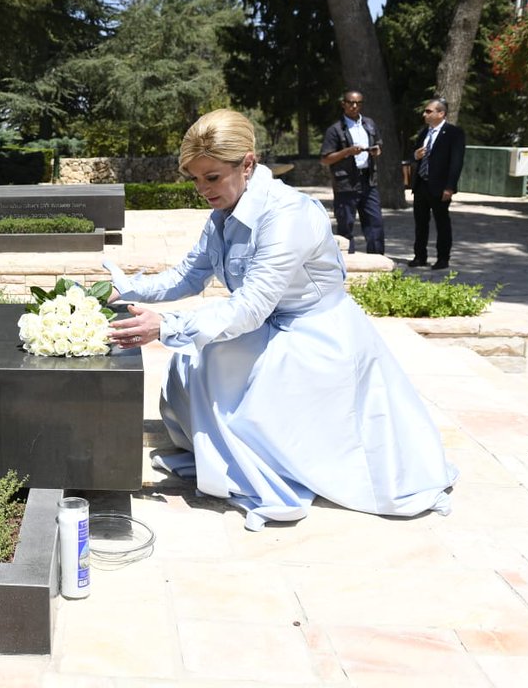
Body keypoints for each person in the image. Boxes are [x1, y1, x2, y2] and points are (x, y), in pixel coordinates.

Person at [103, 108, 457, 532]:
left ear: (247, 164)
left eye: (212, 177)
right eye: (195, 179)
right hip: (268, 323)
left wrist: (166, 326)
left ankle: (267, 461)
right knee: (195, 358)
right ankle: (230, 454)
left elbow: (252, 305)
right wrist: (128, 290)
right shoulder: (223, 213)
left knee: (214, 357)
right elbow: (190, 274)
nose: (203, 189)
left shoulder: (288, 214)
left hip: (317, 335)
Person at [320, 90, 384, 254]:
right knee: (346, 224)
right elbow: (325, 159)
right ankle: (346, 261)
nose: (354, 106)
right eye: (350, 103)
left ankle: (377, 260)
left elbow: (378, 144)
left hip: (368, 179)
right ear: (343, 104)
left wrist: (376, 150)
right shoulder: (335, 129)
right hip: (346, 183)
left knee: (375, 222)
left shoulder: (369, 124)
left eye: (358, 103)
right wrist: (347, 152)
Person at [407, 98, 465, 270]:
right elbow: (414, 155)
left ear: (441, 113)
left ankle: (443, 258)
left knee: (442, 223)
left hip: (440, 186)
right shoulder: (424, 132)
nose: (424, 114)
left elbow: (456, 162)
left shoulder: (453, 133)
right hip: (421, 184)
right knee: (420, 223)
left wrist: (450, 187)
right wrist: (416, 156)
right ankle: (420, 256)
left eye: (428, 111)